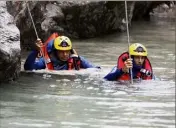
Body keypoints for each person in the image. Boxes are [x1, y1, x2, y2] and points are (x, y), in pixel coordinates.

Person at [24, 34, 100, 70]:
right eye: (61, 52)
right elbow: (29, 68)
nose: (65, 54)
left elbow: (95, 69)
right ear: (55, 51)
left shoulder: (76, 59)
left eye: (67, 51)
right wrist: (35, 51)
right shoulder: (46, 61)